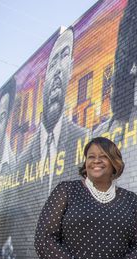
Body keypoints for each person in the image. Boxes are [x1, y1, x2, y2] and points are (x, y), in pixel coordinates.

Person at [34, 137, 137, 259]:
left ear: (114, 163)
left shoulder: (130, 199)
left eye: (103, 156)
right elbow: (45, 238)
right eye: (91, 157)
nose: (96, 161)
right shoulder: (67, 191)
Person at [21, 27, 89, 192]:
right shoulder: (21, 163)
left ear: (71, 67)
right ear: (44, 81)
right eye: (52, 63)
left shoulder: (86, 139)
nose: (58, 68)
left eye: (65, 55)